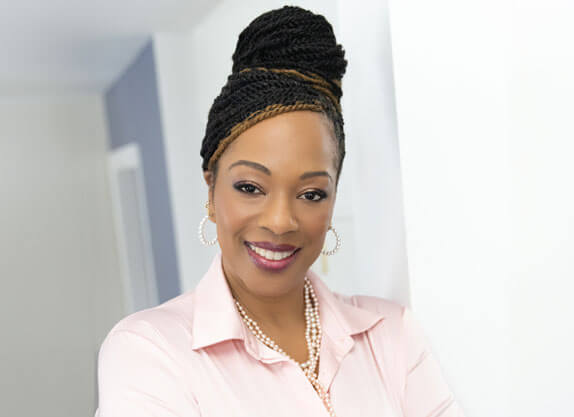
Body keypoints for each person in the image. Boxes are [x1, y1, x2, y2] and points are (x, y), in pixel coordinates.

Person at [95, 5, 465, 417]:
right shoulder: (151, 351)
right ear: (211, 188)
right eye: (250, 187)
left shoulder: (391, 334)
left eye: (311, 194)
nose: (280, 221)